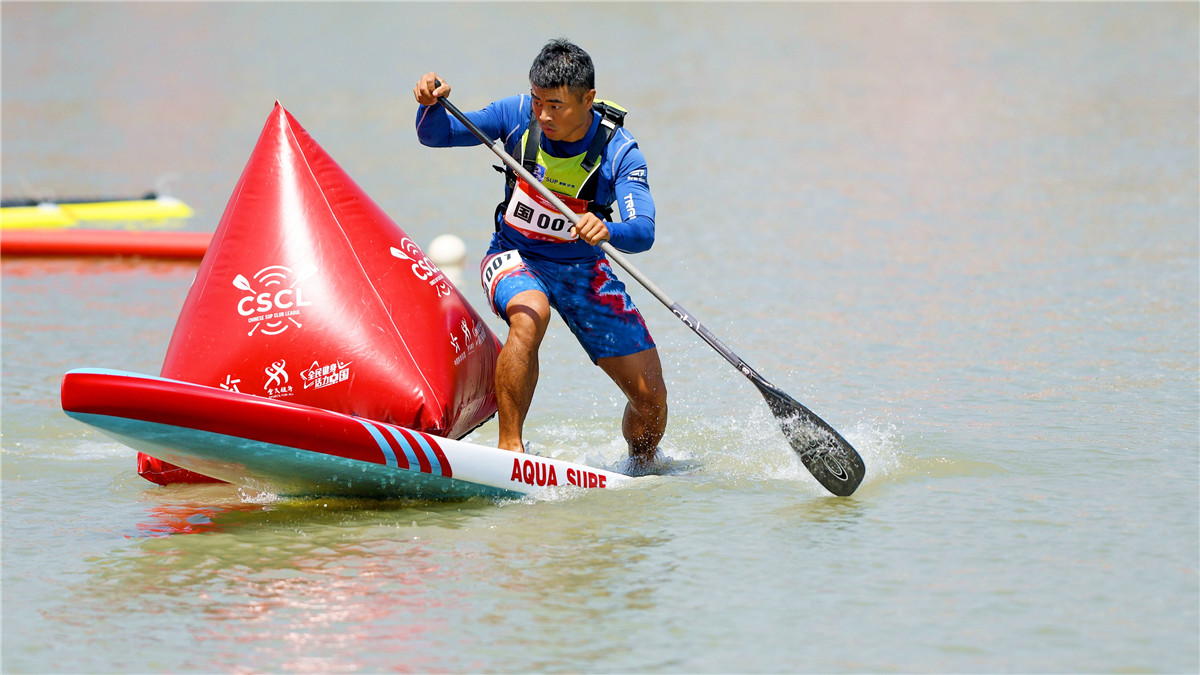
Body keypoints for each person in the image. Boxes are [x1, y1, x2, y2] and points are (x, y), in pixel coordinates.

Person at [412, 38, 667, 468]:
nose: (543, 115)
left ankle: (639, 468)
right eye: (537, 101)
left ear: (588, 100)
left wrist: (609, 228)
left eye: (556, 105)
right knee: (531, 314)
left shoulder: (620, 151)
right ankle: (510, 452)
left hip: (584, 271)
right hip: (514, 256)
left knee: (651, 399)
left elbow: (642, 231)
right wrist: (428, 103)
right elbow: (434, 135)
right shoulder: (516, 115)